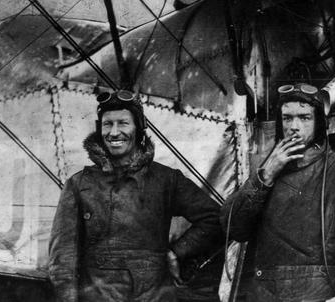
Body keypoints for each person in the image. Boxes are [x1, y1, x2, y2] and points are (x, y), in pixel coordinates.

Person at [221, 83, 335, 302]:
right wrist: (264, 176)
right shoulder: (268, 170)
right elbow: (234, 228)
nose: (294, 126)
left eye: (304, 118)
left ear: (319, 124)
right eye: (287, 118)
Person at [48, 90, 224, 302]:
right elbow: (62, 261)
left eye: (123, 123)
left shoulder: (166, 180)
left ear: (138, 128)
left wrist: (176, 252)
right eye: (107, 124)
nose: (114, 132)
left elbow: (214, 218)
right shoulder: (78, 185)